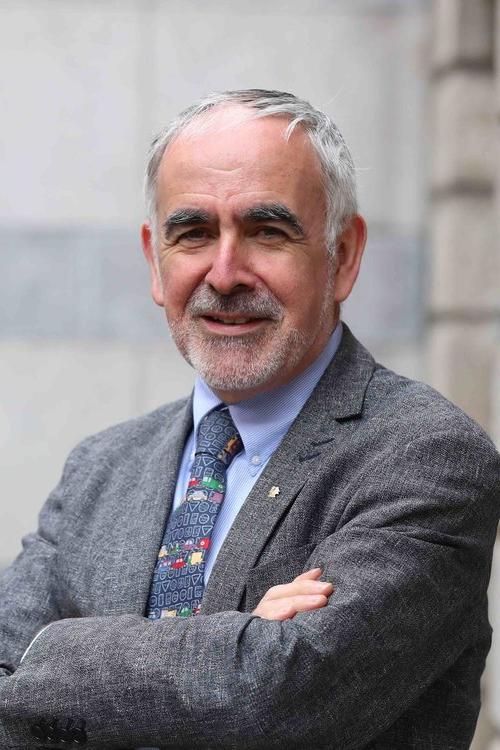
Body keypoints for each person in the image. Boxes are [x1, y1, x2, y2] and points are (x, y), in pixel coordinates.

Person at [0, 89, 498, 750]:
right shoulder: (102, 466)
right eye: (194, 233)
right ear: (155, 260)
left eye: (268, 231)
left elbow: (274, 701)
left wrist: (49, 653)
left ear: (344, 254)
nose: (226, 273)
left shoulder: (426, 456)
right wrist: (233, 645)